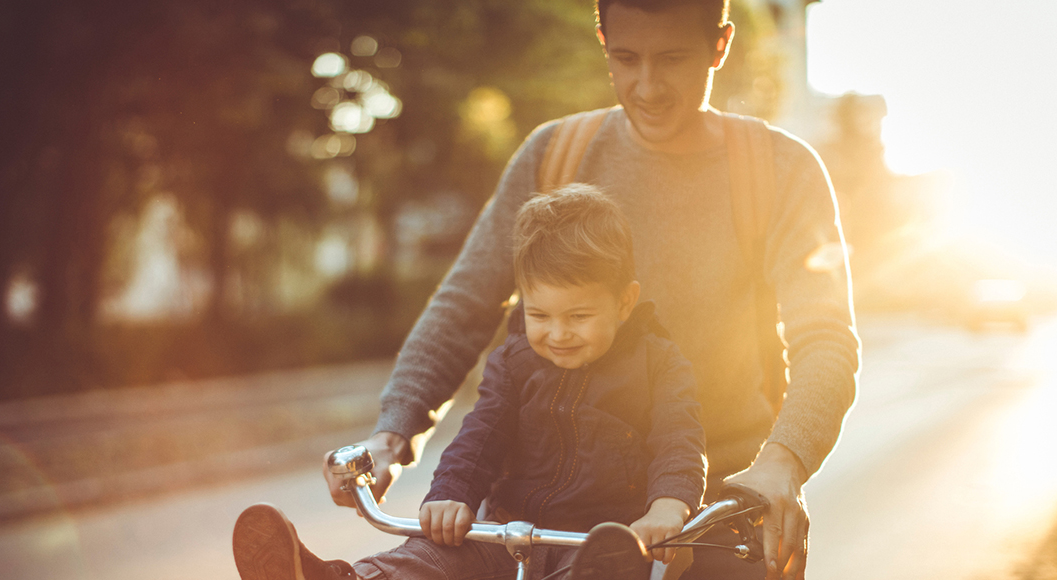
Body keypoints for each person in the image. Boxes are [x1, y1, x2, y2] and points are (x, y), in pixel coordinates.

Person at [324, 1, 861, 579]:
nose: (647, 86)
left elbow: (827, 339)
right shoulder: (556, 155)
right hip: (547, 503)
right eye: (626, 58)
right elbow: (464, 305)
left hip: (715, 501)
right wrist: (391, 435)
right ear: (603, 39)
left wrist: (782, 462)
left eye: (672, 60)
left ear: (719, 46)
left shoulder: (779, 169)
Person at [235, 184, 707, 580]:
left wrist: (668, 508)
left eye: (579, 316)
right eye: (538, 314)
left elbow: (678, 441)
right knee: (432, 554)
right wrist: (450, 494)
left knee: (602, 571)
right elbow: (480, 436)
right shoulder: (514, 361)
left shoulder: (659, 364)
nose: (558, 334)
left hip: (602, 542)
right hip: (508, 532)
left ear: (625, 303)